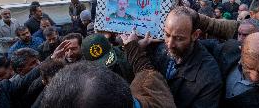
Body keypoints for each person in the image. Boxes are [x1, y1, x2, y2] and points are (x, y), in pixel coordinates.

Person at [40, 30, 176, 108]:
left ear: (112, 48)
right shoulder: (80, 75)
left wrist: (134, 48)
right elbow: (148, 76)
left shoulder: (123, 57)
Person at [148, 6, 222, 108]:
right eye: (167, 35)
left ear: (195, 35)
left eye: (179, 39)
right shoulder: (160, 48)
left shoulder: (209, 76)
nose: (169, 45)